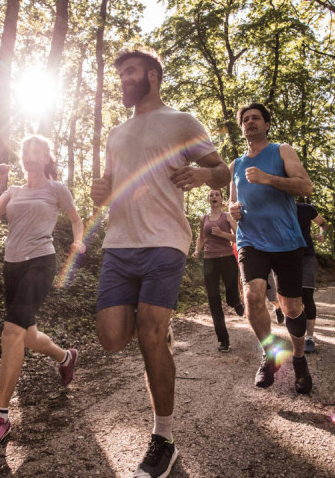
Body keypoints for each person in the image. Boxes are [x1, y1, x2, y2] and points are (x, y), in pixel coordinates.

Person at [91, 48, 229, 478]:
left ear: (151, 75)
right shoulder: (115, 133)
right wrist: (101, 192)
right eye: (119, 74)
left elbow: (222, 169)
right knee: (113, 338)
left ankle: (163, 439)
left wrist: (204, 176)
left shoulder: (182, 121)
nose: (123, 80)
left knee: (150, 335)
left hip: (165, 242)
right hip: (119, 245)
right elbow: (112, 187)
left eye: (129, 72)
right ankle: (159, 336)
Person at [0, 135, 86, 451]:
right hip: (12, 266)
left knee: (11, 332)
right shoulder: (14, 191)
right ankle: (66, 357)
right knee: (27, 335)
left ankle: (0, 416)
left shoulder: (56, 189)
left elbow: (76, 220)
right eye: (25, 150)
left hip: (41, 261)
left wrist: (78, 242)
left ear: (47, 157)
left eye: (36, 150)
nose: (29, 154)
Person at [228, 102, 314, 394]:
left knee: (292, 308)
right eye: (246, 120)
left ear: (266, 124)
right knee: (252, 295)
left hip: (286, 239)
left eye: (256, 118)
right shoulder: (236, 165)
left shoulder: (281, 151)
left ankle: (300, 359)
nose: (250, 122)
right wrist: (234, 211)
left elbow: (305, 187)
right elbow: (232, 204)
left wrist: (268, 179)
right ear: (241, 128)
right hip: (251, 239)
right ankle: (270, 354)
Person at [192, 188, 245, 352]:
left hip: (227, 259)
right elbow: (201, 236)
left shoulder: (227, 217)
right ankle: (224, 340)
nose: (214, 197)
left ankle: (235, 302)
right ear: (208, 199)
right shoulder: (204, 218)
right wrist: (197, 250)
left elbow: (239, 237)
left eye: (217, 195)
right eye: (211, 195)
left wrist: (222, 234)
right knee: (213, 300)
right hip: (209, 261)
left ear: (222, 199)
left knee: (230, 295)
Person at [296, 201, 329, 353]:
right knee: (292, 299)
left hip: (307, 256)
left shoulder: (306, 208)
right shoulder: (276, 207)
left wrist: (322, 234)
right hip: (285, 258)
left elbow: (323, 223)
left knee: (307, 295)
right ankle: (296, 334)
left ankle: (309, 338)